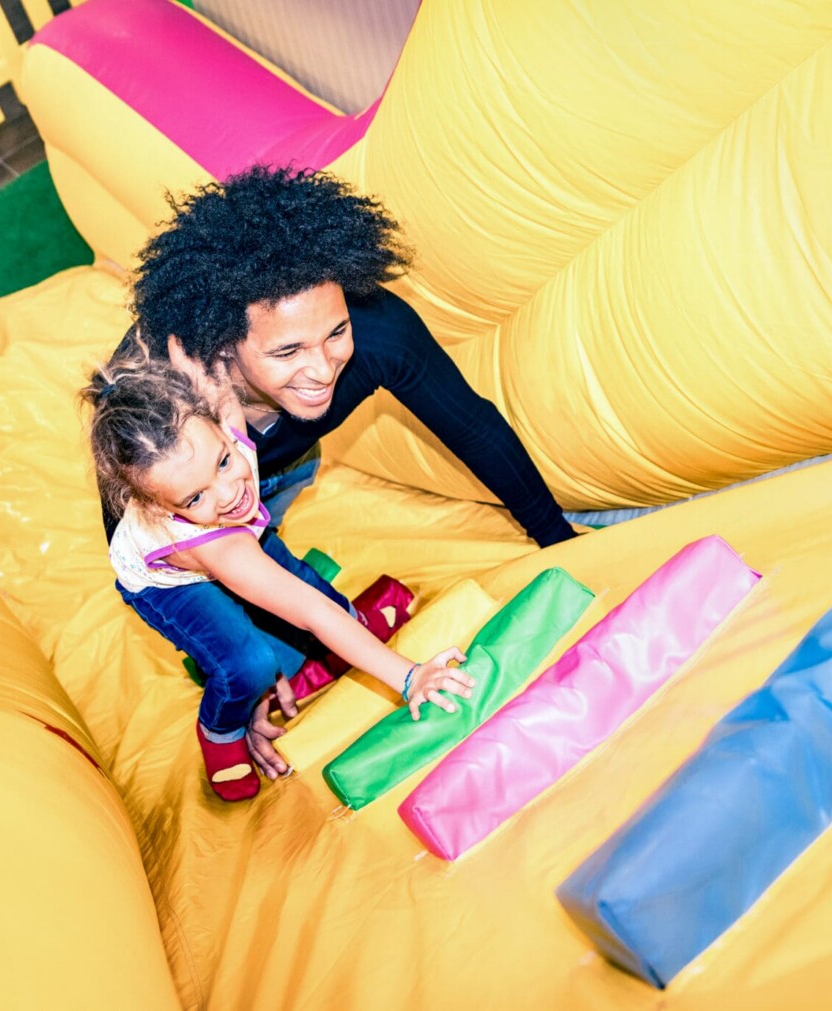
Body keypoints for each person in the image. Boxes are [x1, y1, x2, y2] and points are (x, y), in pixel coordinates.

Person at [83, 339, 475, 802]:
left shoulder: (218, 436)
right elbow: (307, 610)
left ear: (216, 426)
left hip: (234, 535)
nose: (228, 493)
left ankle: (331, 647)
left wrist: (204, 367)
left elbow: (219, 393)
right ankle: (223, 727)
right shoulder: (221, 543)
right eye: (194, 498)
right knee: (249, 663)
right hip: (171, 583)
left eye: (225, 462)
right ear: (155, 506)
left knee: (320, 605)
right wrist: (409, 677)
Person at [113, 164, 578, 551]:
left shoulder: (380, 333)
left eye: (336, 332)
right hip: (186, 498)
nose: (322, 369)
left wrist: (558, 539)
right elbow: (131, 535)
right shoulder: (153, 396)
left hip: (287, 463)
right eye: (288, 350)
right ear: (222, 345)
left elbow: (476, 430)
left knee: (268, 543)